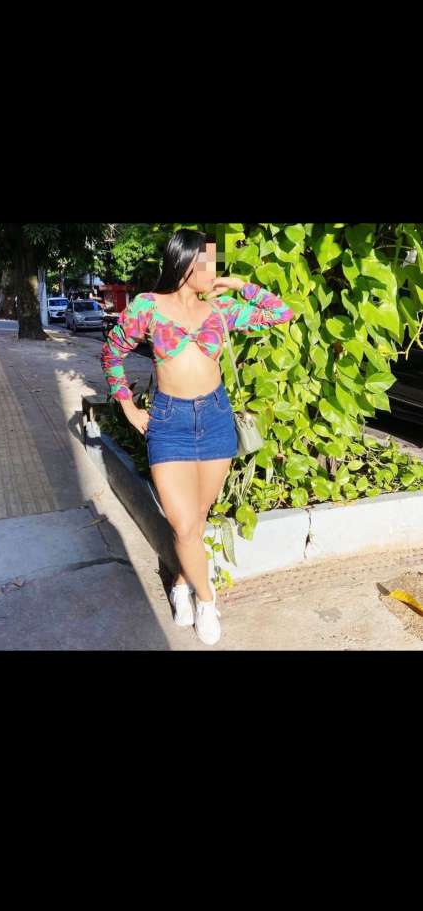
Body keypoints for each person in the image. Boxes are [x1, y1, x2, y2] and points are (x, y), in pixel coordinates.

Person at [101, 228, 294, 646]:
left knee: (198, 517)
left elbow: (282, 313)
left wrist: (238, 285)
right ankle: (206, 600)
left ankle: (181, 584)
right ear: (185, 262)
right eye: (207, 261)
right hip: (169, 423)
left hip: (216, 419)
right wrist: (128, 406)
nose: (214, 269)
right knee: (184, 524)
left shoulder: (221, 309)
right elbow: (112, 351)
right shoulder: (147, 307)